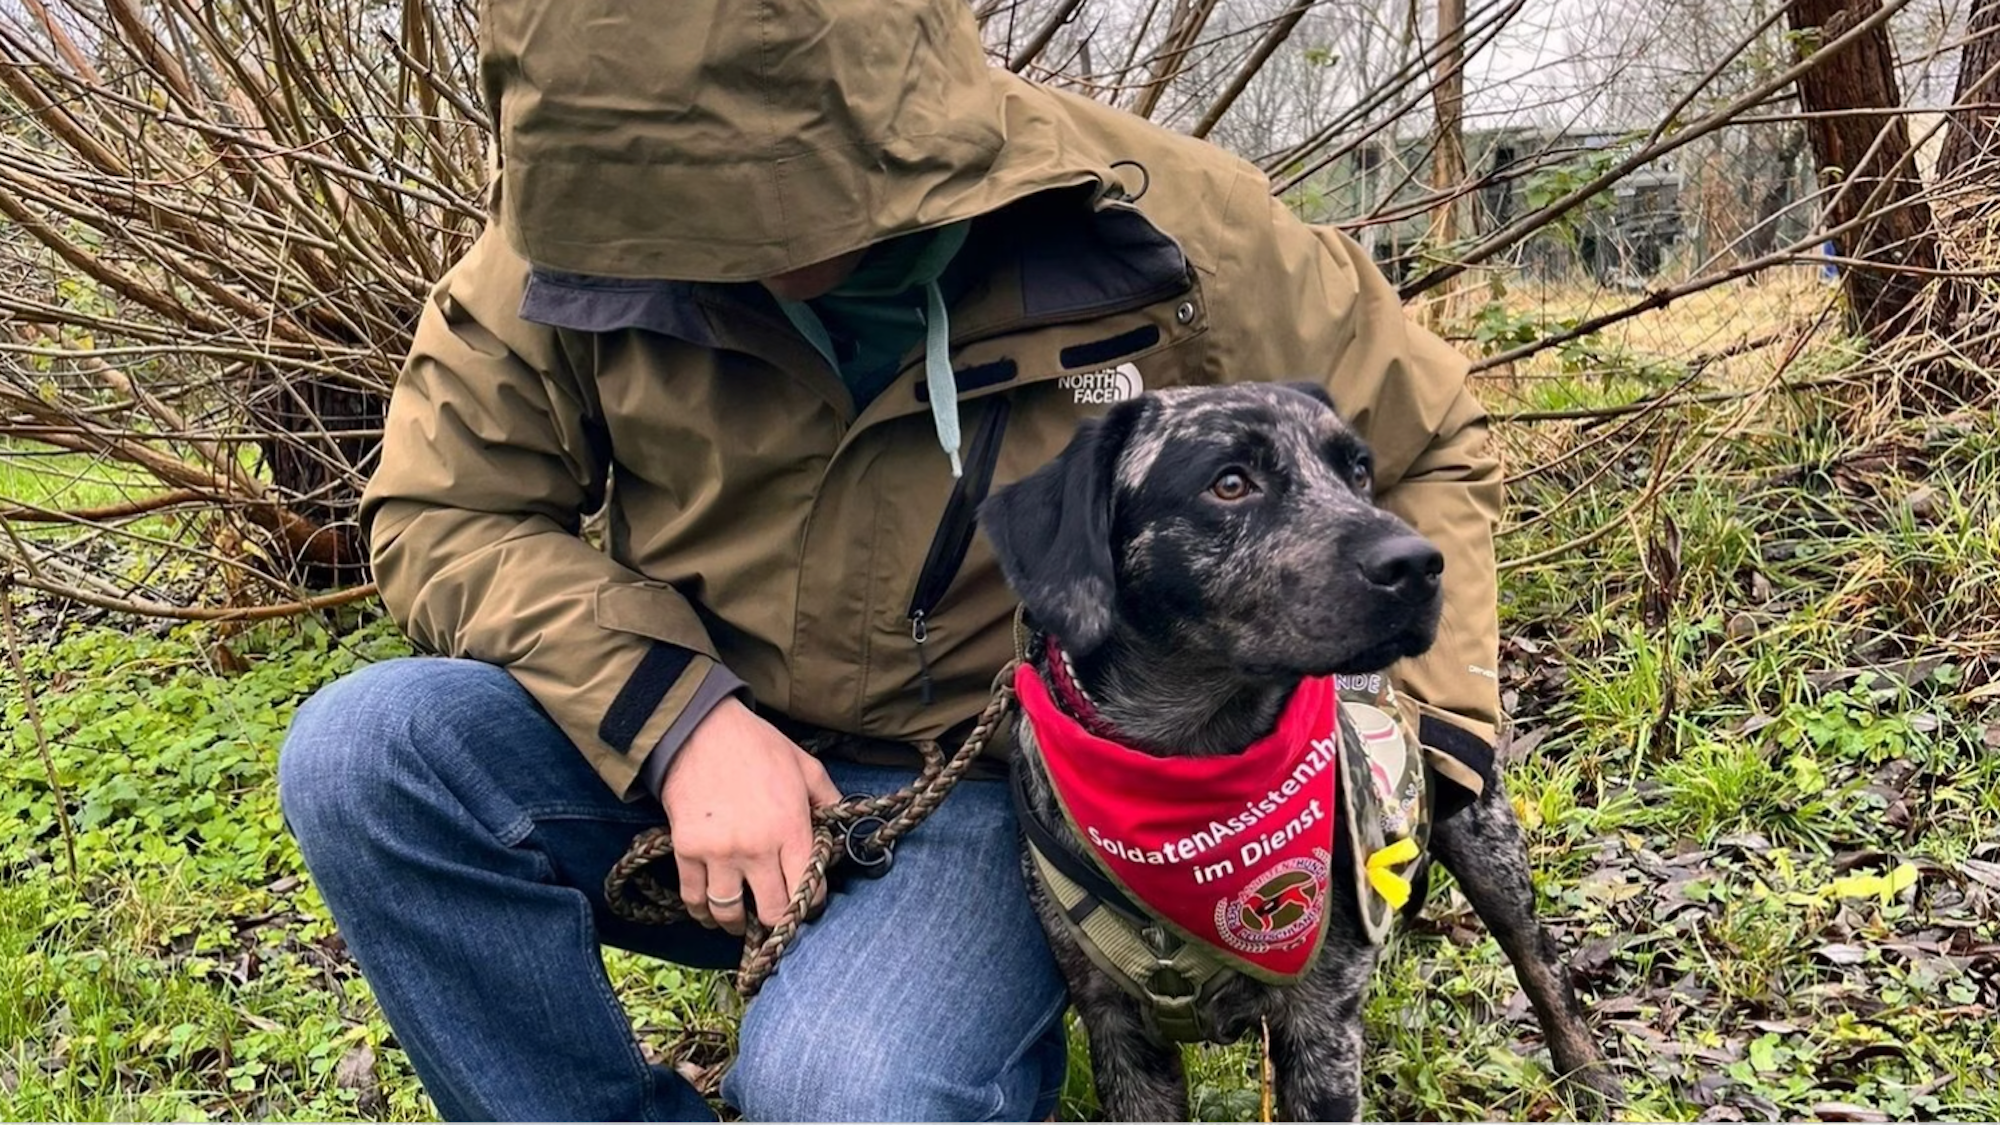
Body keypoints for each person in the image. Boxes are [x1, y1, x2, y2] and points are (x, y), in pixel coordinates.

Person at [275, 0, 1506, 1120]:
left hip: (986, 790)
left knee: (848, 1095)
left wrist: (1438, 734)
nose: (720, 249)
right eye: (674, 209)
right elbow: (446, 511)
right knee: (370, 753)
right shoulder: (570, 232)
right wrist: (681, 719)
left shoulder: (1158, 219)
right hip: (673, 764)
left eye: (769, 198)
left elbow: (1425, 438)